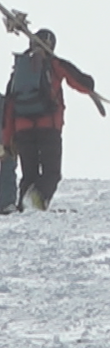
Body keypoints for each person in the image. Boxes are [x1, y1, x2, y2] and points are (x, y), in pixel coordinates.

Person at [1, 29, 98, 211]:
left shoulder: (19, 71)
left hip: (23, 131)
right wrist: (90, 84)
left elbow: (9, 106)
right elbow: (80, 81)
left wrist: (7, 141)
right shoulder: (53, 64)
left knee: (29, 174)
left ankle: (24, 208)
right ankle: (37, 201)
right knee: (51, 173)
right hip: (48, 128)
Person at [0, 93, 17, 214]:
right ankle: (6, 203)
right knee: (8, 165)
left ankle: (7, 203)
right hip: (5, 142)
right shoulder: (4, 102)